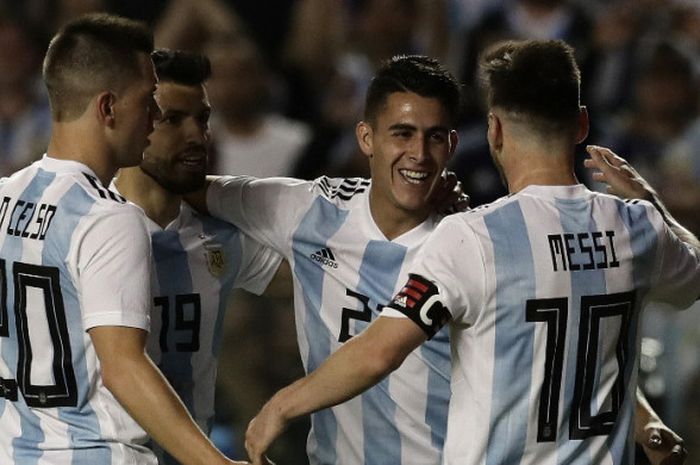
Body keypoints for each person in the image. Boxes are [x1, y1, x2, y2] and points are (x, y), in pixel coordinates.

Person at [192, 52, 685, 465]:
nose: (419, 154)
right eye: (402, 134)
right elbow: (578, 341)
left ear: (471, 138)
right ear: (367, 137)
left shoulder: (475, 239)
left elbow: (385, 349)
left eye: (434, 137)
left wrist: (280, 406)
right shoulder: (309, 209)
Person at [0, 14, 244, 465]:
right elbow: (123, 368)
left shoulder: (5, 196)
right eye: (147, 100)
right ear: (108, 108)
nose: (153, 115)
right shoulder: (108, 217)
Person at [112, 48, 288, 464]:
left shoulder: (221, 237)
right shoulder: (83, 228)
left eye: (203, 118)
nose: (197, 135)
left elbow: (317, 279)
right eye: (172, 119)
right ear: (132, 120)